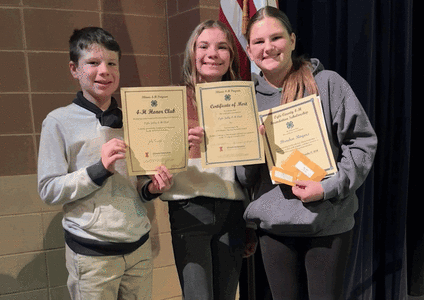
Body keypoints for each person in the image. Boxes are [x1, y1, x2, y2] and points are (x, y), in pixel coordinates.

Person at [236, 7, 378, 300]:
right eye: (259, 42)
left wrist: (327, 188)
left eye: (276, 37)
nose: (268, 47)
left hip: (327, 223)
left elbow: (362, 143)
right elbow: (244, 176)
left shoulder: (327, 83)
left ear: (292, 40)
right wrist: (254, 147)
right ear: (248, 50)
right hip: (274, 226)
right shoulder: (244, 99)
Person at [37, 27, 172, 300]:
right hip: (92, 257)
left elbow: (138, 184)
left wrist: (152, 189)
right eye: (93, 63)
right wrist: (99, 170)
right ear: (74, 69)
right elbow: (49, 189)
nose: (104, 71)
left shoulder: (135, 118)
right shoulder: (58, 122)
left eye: (112, 63)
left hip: (139, 251)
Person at [151, 20, 257, 300]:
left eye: (222, 47)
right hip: (189, 210)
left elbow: (245, 172)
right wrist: (179, 148)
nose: (213, 53)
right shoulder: (172, 101)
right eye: (204, 46)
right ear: (191, 53)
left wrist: (249, 223)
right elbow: (152, 163)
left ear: (232, 57)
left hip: (233, 211)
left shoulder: (242, 100)